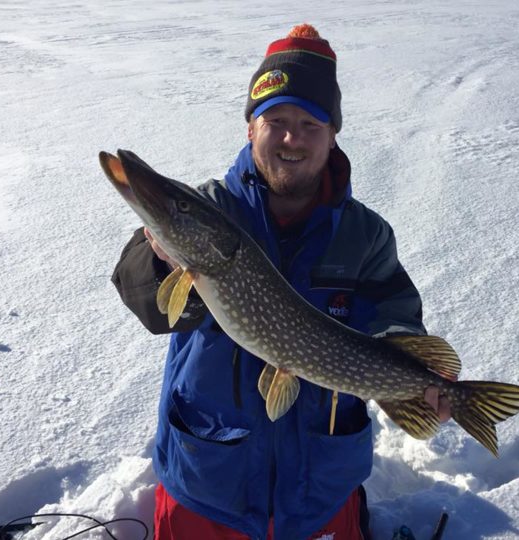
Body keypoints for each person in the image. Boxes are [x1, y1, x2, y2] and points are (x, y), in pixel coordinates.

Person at [112, 23, 450, 540]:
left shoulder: (365, 233)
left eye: (311, 123)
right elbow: (149, 304)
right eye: (276, 120)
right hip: (208, 476)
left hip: (319, 483)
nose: (292, 138)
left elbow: (393, 315)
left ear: (333, 133)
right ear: (251, 128)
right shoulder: (209, 209)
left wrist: (414, 383)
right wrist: (158, 260)